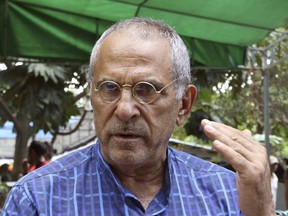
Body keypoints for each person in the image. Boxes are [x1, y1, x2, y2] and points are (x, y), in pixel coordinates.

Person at [2, 17, 277, 215]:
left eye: (146, 90)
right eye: (109, 88)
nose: (124, 109)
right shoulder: (37, 199)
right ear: (91, 94)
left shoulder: (230, 195)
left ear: (183, 104)